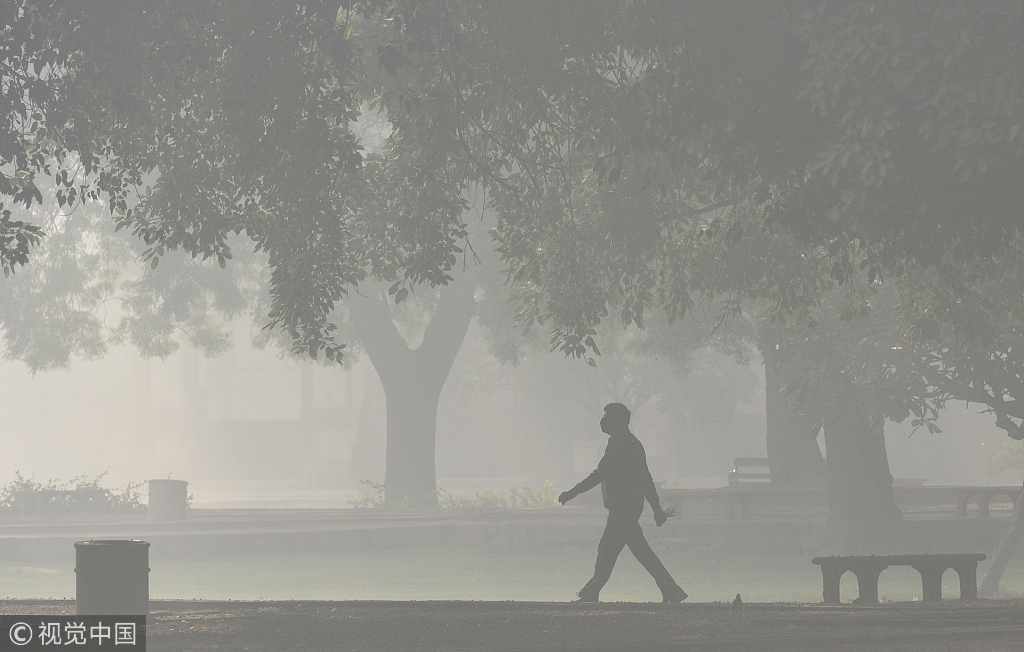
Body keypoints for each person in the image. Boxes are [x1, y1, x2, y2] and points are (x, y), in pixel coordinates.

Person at [558, 402, 687, 603]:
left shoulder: (622, 444)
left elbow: (601, 473)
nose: (603, 421)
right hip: (625, 507)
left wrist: (572, 493)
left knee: (632, 552)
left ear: (618, 421)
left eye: (607, 416)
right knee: (611, 552)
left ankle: (671, 590)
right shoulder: (627, 442)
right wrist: (655, 508)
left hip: (623, 508)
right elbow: (645, 478)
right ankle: (592, 591)